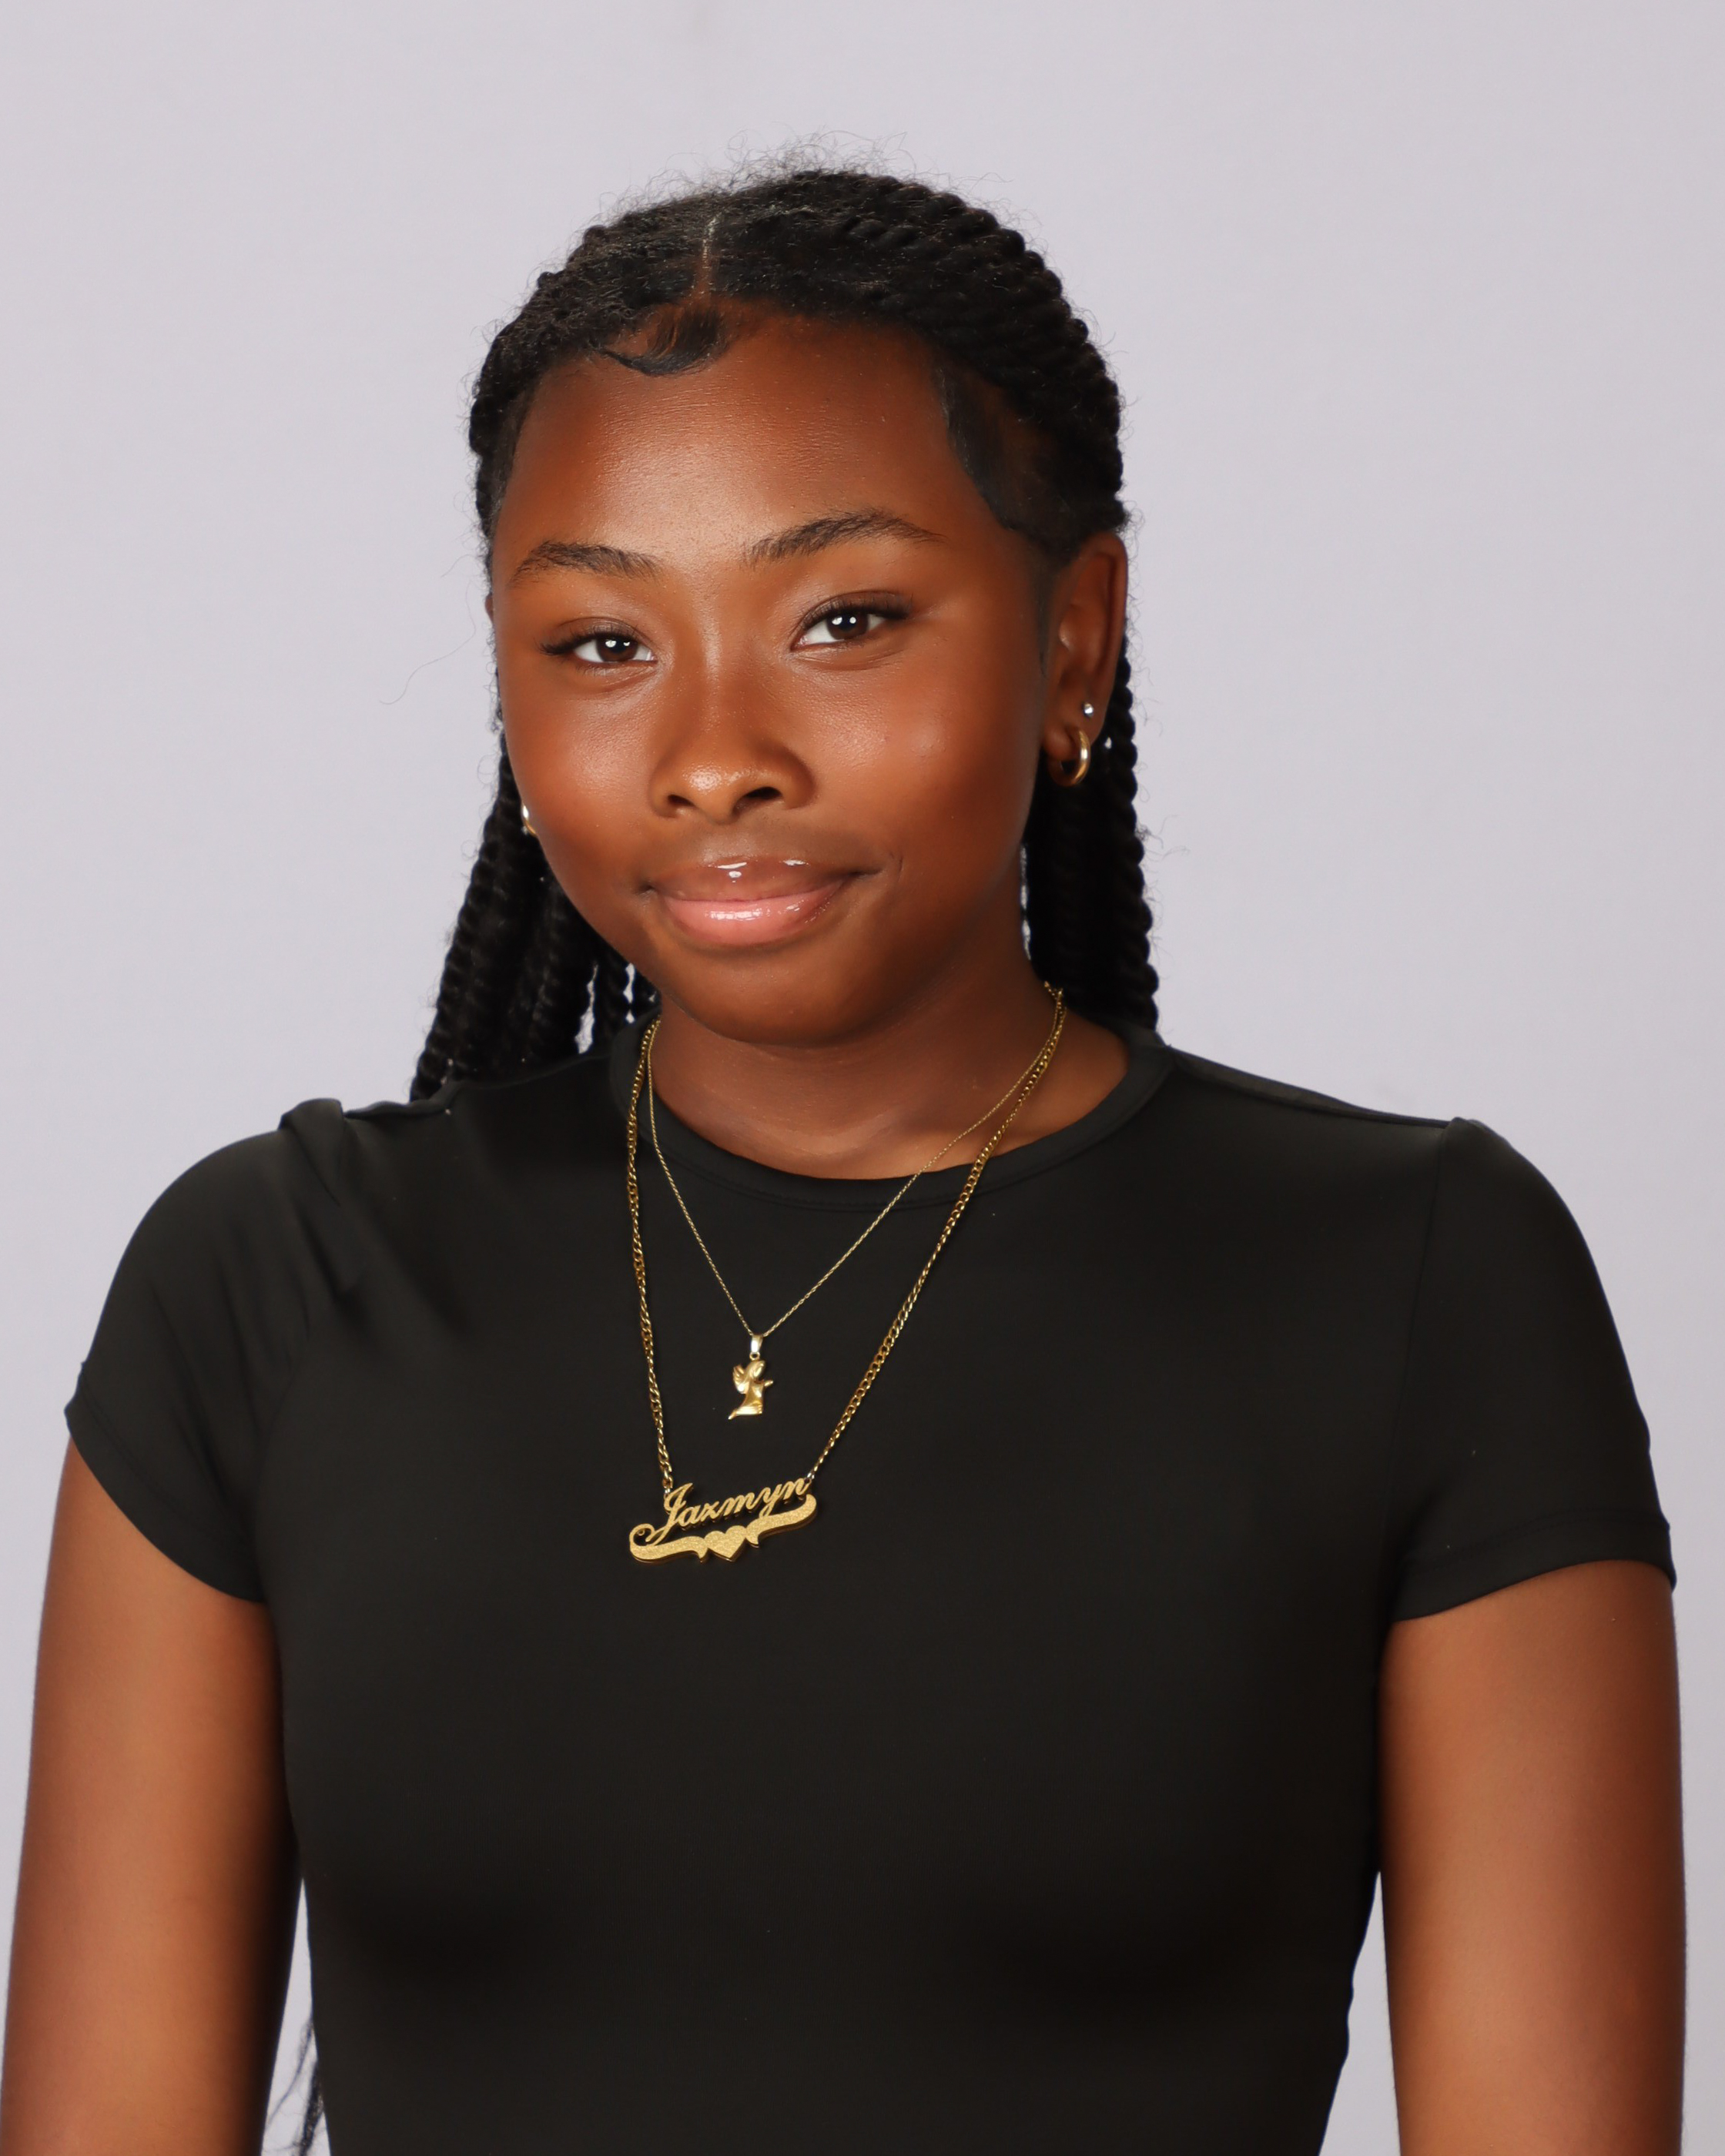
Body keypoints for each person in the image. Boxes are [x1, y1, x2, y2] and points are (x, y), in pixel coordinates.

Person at [0, 166, 1683, 2156]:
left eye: (845, 620)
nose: (716, 755)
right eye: (601, 643)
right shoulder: (277, 1291)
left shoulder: (1415, 1281)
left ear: (1078, 635)